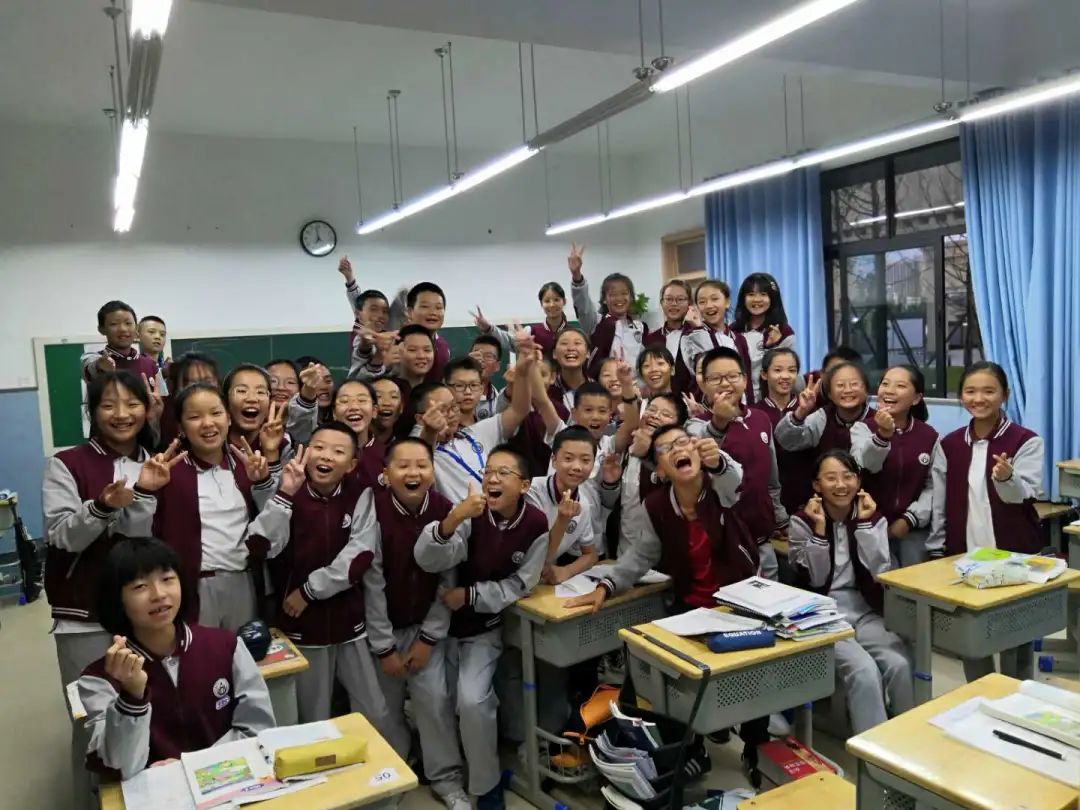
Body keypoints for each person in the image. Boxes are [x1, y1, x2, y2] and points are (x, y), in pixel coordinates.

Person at [42, 370, 162, 806]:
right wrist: (102, 506)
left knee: (142, 715)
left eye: (132, 404)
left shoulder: (157, 461)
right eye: (108, 405)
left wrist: (144, 494)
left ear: (147, 409)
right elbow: (62, 535)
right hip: (84, 618)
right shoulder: (68, 463)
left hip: (147, 616)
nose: (121, 414)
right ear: (92, 412)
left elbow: (151, 539)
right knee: (89, 723)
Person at [415, 445, 549, 810]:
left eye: (503, 473)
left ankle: (486, 784)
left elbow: (522, 582)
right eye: (488, 471)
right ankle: (445, 779)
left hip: (482, 626)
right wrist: (454, 520)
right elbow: (430, 560)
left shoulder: (536, 524)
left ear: (524, 485)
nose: (492, 479)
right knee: (432, 697)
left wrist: (473, 596)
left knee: (473, 701)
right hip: (436, 623)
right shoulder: (469, 511)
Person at [78, 538, 275, 780]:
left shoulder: (227, 646)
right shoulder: (99, 679)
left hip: (232, 783)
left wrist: (193, 765)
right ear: (117, 599)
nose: (159, 594)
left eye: (167, 579)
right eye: (140, 586)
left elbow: (258, 730)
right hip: (156, 793)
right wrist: (132, 697)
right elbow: (121, 765)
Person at [245, 423, 392, 730]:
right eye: (319, 447)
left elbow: (360, 556)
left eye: (338, 451)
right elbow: (261, 546)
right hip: (301, 626)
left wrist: (309, 590)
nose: (326, 456)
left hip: (349, 623)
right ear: (305, 452)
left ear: (351, 464)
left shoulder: (359, 494)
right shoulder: (289, 490)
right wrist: (285, 494)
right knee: (314, 719)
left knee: (375, 712)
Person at [352, 438, 471, 810]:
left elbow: (448, 582)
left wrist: (428, 639)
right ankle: (393, 775)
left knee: (435, 702)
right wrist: (384, 647)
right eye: (403, 465)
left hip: (426, 631)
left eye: (422, 465)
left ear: (433, 471)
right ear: (386, 474)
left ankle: (446, 779)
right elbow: (371, 582)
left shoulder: (446, 510)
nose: (413, 473)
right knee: (383, 711)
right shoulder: (373, 508)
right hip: (381, 630)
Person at [928, 362, 1044, 682]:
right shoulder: (950, 444)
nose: (979, 398)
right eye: (970, 391)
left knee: (1015, 638)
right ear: (961, 396)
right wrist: (937, 547)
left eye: (989, 391)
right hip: (966, 554)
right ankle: (980, 693)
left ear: (1005, 395)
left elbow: (1023, 495)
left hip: (1013, 552)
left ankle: (1018, 697)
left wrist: (1007, 478)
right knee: (972, 639)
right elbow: (939, 500)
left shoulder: (1025, 440)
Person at [788, 451, 914, 733]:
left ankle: (908, 737)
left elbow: (880, 571)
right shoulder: (801, 521)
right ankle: (874, 749)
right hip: (822, 615)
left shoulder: (872, 516)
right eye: (831, 478)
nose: (841, 485)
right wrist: (819, 530)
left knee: (900, 664)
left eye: (848, 477)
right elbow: (816, 578)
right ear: (817, 485)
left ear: (858, 481)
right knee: (864, 671)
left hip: (864, 609)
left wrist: (866, 526)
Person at [141, 383, 276, 631]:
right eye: (194, 417)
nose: (207, 423)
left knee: (244, 651)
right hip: (193, 585)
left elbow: (273, 526)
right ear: (181, 427)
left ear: (228, 417)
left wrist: (263, 482)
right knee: (199, 652)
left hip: (244, 580)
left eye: (216, 413)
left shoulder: (247, 465)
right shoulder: (167, 472)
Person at [688, 348, 787, 580]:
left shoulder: (760, 418)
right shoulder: (694, 425)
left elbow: (771, 478)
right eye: (716, 378)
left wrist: (780, 517)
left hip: (762, 536)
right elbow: (703, 456)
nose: (725, 383)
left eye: (732, 376)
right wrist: (719, 422)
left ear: (745, 380)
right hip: (722, 541)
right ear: (704, 385)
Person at [415, 334, 537, 503]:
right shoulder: (421, 433)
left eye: (473, 385)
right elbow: (419, 456)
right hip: (458, 516)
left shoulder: (477, 431)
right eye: (459, 386)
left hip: (493, 510)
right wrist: (430, 431)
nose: (467, 392)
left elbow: (519, 409)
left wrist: (523, 372)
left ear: (481, 388)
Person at [853, 366, 939, 568]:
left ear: (916, 398)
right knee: (878, 582)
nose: (889, 391)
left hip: (913, 529)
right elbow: (867, 465)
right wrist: (882, 435)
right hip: (870, 526)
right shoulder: (862, 428)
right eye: (885, 384)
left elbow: (933, 486)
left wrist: (910, 519)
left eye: (900, 386)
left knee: (912, 583)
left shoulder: (929, 436)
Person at [567, 244, 650, 378]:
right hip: (605, 387)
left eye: (624, 293)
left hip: (635, 387)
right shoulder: (597, 323)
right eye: (613, 294)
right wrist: (577, 276)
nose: (619, 298)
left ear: (631, 297)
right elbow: (583, 306)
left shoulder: (640, 328)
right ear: (604, 299)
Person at [752, 347, 816, 516]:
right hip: (767, 501)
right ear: (764, 374)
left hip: (805, 498)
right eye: (778, 370)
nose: (785, 376)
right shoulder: (754, 413)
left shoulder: (809, 409)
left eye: (792, 370)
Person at [290, 378, 385, 487]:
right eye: (344, 401)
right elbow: (300, 426)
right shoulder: (314, 448)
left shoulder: (387, 455)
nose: (354, 407)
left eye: (362, 400)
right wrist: (308, 392)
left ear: (374, 410)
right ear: (334, 412)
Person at [775, 361, 875, 456]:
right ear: (830, 394)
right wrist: (801, 412)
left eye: (854, 384)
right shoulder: (823, 417)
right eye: (840, 385)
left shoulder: (877, 420)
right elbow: (786, 441)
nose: (848, 390)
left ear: (866, 390)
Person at [731, 273, 795, 398]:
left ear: (772, 298)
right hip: (739, 399)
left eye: (763, 294)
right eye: (751, 294)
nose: (757, 299)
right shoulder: (733, 330)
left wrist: (774, 347)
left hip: (771, 400)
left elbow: (787, 371)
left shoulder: (784, 332)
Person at [223, 364, 288, 477]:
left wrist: (271, 453)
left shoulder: (282, 446)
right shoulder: (212, 443)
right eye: (242, 391)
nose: (252, 399)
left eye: (260, 392)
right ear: (225, 401)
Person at [688, 280, 752, 395]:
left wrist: (749, 404)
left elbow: (747, 378)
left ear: (727, 302)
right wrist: (698, 330)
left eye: (714, 299)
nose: (709, 305)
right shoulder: (692, 336)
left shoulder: (739, 339)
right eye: (702, 302)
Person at [473, 281, 568, 356]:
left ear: (564, 301)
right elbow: (509, 341)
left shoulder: (572, 333)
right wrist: (488, 328)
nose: (552, 305)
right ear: (541, 304)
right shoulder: (531, 332)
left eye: (556, 300)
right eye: (547, 301)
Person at [81, 301, 159, 383]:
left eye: (128, 323)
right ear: (101, 329)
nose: (123, 329)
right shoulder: (97, 359)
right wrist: (99, 366)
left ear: (136, 328)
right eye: (114, 324)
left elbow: (162, 390)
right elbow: (89, 367)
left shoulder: (149, 363)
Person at [643, 280, 699, 394]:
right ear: (662, 303)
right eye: (669, 299)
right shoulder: (651, 339)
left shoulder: (697, 334)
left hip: (694, 400)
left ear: (689, 303)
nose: (674, 304)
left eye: (680, 299)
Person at [158, 351, 220, 449]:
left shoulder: (227, 409)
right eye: (192, 384)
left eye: (207, 383)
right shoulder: (162, 412)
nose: (201, 390)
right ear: (173, 387)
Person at [547, 327, 592, 419]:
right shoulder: (547, 390)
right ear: (554, 353)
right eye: (564, 343)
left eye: (577, 343)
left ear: (588, 353)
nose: (571, 348)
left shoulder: (598, 388)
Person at [469, 335, 503, 421]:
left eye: (488, 356)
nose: (481, 360)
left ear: (497, 366)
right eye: (477, 354)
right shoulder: (452, 392)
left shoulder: (498, 401)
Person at [136, 315, 169, 393]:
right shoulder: (135, 366)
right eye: (151, 332)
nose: (158, 337)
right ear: (137, 336)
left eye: (162, 334)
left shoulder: (165, 368)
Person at [371, 375, 405, 445]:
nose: (387, 403)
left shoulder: (402, 447)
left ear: (401, 406)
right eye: (378, 396)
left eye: (394, 397)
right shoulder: (352, 444)